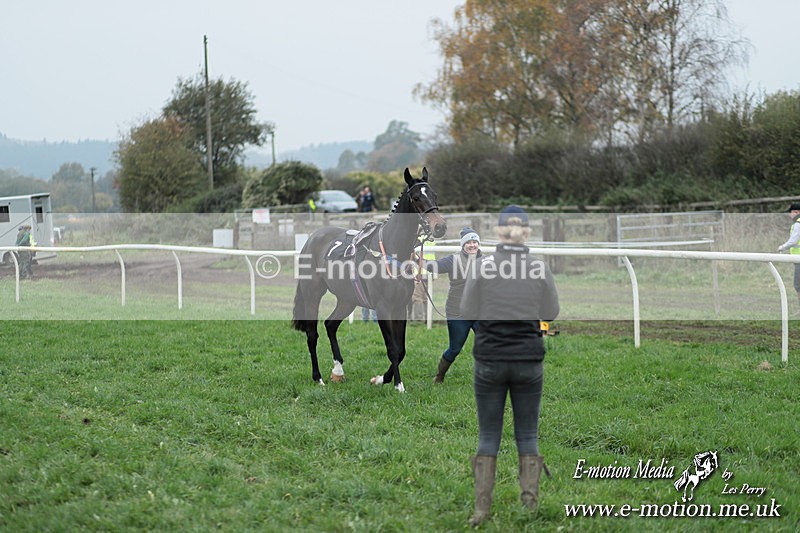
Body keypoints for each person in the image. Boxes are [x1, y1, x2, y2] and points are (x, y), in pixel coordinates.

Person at [460, 206, 560, 527]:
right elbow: (551, 312)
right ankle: (529, 505)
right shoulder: (539, 268)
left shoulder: (482, 266)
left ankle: (481, 510)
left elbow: (466, 310)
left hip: (489, 359)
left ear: (499, 233)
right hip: (528, 361)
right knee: (527, 435)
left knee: (488, 436)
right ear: (526, 233)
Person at [424, 227, 482, 383]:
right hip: (458, 312)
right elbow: (433, 266)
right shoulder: (453, 260)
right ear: (463, 245)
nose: (472, 245)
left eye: (475, 242)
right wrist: (417, 260)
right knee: (455, 349)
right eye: (468, 242)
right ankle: (439, 376)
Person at [778, 202, 800, 309]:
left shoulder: (797, 225)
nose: (790, 215)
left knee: (798, 286)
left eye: (791, 212)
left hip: (798, 259)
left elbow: (793, 241)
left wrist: (782, 247)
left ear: (796, 212)